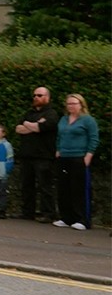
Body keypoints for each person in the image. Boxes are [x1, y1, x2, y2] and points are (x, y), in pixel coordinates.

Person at [13, 87, 59, 223]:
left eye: (39, 95)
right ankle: (27, 212)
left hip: (44, 156)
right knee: (27, 185)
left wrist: (29, 126)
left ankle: (48, 213)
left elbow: (43, 128)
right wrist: (33, 126)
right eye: (34, 95)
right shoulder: (29, 113)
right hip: (27, 154)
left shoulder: (51, 114)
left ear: (47, 97)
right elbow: (18, 129)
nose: (36, 98)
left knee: (45, 186)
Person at [53, 93, 99, 231]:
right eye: (69, 104)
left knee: (78, 189)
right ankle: (66, 218)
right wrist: (58, 149)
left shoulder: (88, 120)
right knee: (64, 188)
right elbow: (59, 136)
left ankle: (82, 219)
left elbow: (94, 138)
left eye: (74, 103)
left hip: (79, 157)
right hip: (64, 156)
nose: (71, 106)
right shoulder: (63, 119)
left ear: (81, 105)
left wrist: (88, 155)